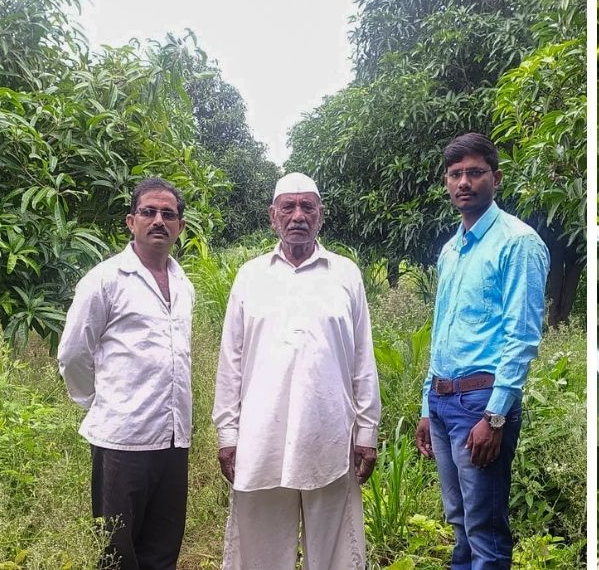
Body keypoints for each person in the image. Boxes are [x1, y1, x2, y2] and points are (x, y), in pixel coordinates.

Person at [212, 172, 380, 569]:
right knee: (260, 551)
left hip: (331, 437)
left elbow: (362, 359)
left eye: (308, 207)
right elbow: (230, 360)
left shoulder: (345, 275)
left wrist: (368, 432)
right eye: (289, 207)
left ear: (321, 215)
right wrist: (227, 433)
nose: (298, 215)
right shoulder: (250, 277)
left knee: (337, 551)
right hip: (261, 438)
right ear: (273, 216)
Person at [414, 133, 550, 569]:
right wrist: (426, 403)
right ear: (446, 182)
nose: (464, 183)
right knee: (459, 523)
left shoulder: (518, 242)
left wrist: (495, 416)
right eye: (455, 175)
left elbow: (522, 337)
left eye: (475, 172)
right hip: (443, 400)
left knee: (485, 531)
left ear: (496, 178)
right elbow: (441, 332)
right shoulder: (451, 250)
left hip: (481, 403)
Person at [57, 177, 194, 570]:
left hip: (173, 438)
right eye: (149, 212)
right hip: (122, 441)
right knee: (117, 551)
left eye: (168, 214)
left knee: (163, 546)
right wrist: (98, 402)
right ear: (131, 221)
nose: (158, 221)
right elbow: (73, 353)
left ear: (179, 227)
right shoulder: (106, 280)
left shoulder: (184, 284)